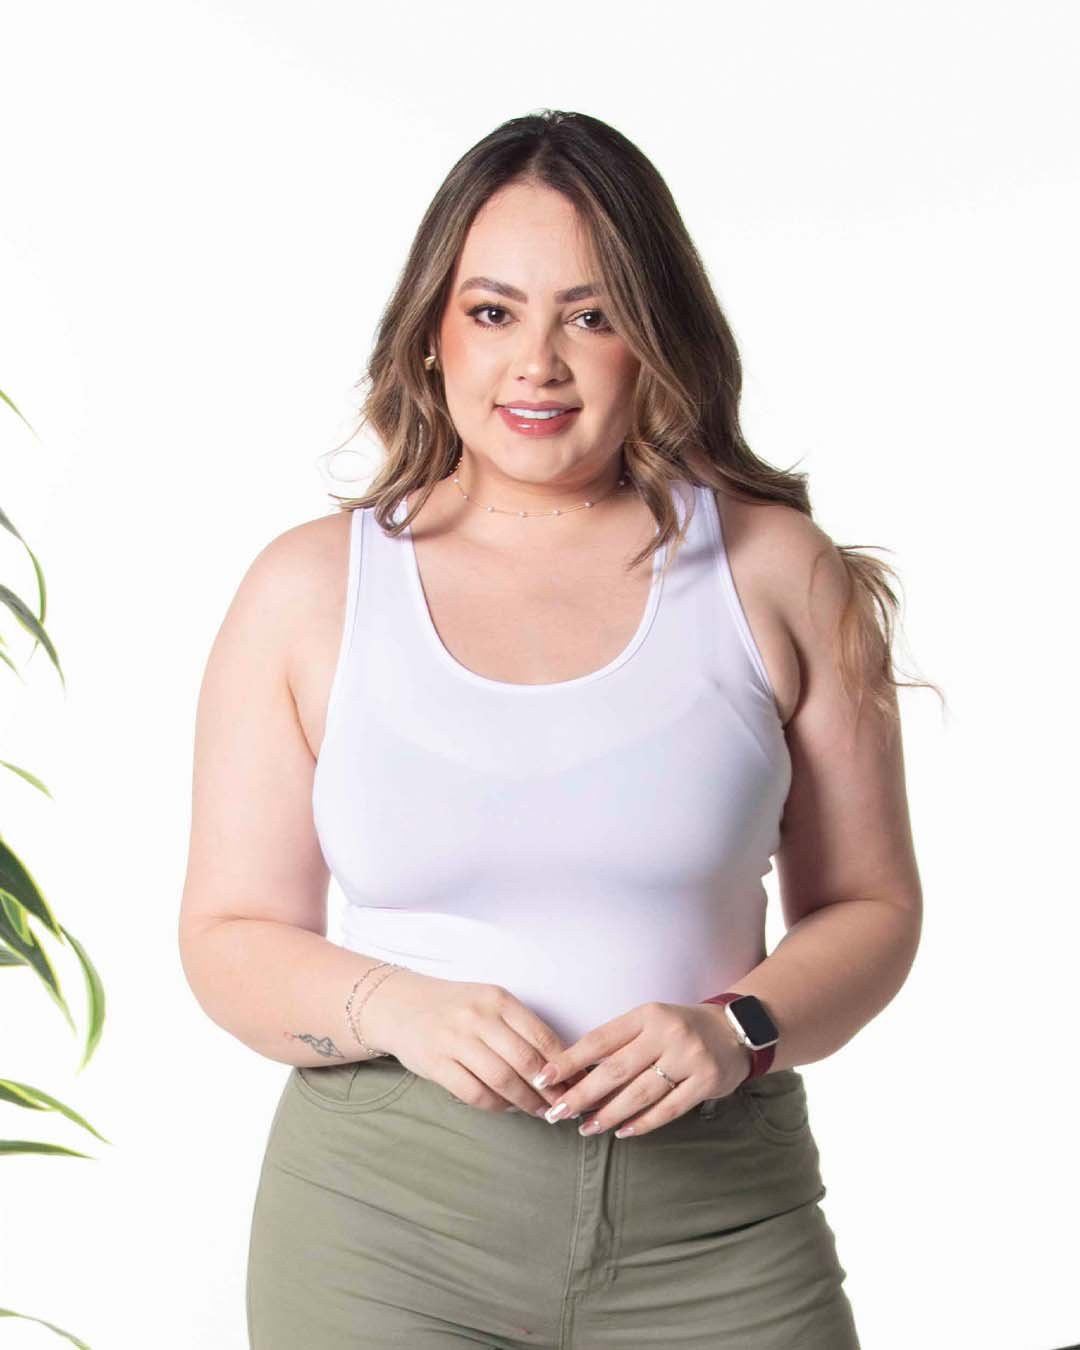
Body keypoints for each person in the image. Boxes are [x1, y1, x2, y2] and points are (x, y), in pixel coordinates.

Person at [179, 109, 927, 1349]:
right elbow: (227, 935)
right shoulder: (308, 590)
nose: (537, 364)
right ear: (431, 337)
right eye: (493, 312)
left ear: (657, 338)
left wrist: (737, 1030)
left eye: (592, 315)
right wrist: (392, 1007)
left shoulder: (775, 570)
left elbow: (873, 906)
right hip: (384, 1233)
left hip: (719, 1225)